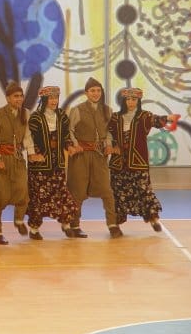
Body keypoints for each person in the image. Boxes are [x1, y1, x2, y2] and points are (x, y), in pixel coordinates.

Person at [107, 88, 178, 232]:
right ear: (123, 101)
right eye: (128, 99)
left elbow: (157, 120)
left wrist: (168, 118)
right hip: (119, 162)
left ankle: (153, 219)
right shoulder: (115, 117)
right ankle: (115, 225)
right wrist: (112, 145)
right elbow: (109, 133)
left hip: (138, 160)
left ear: (138, 101)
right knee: (118, 192)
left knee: (144, 190)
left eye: (134, 99)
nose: (130, 102)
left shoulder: (144, 116)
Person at [67, 77, 122, 238]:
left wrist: (108, 145)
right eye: (92, 91)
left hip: (99, 156)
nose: (96, 93)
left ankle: (112, 225)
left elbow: (110, 132)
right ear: (86, 93)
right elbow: (70, 130)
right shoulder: (77, 110)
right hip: (81, 156)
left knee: (106, 191)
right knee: (78, 191)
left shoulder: (107, 110)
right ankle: (74, 225)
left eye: (98, 90)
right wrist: (75, 145)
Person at [25, 86, 78, 240]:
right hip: (40, 165)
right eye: (51, 98)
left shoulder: (61, 116)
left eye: (56, 98)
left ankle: (66, 225)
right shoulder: (35, 118)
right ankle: (34, 229)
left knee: (62, 194)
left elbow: (66, 136)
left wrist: (69, 146)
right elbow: (29, 139)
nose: (54, 101)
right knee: (39, 197)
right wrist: (34, 154)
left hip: (57, 163)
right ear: (44, 100)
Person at [0, 82, 37, 245]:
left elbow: (27, 136)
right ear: (8, 98)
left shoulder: (26, 113)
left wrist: (31, 153)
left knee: (23, 191)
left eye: (21, 96)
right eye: (15, 96)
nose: (19, 99)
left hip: (17, 158)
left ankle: (18, 219)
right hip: (1, 158)